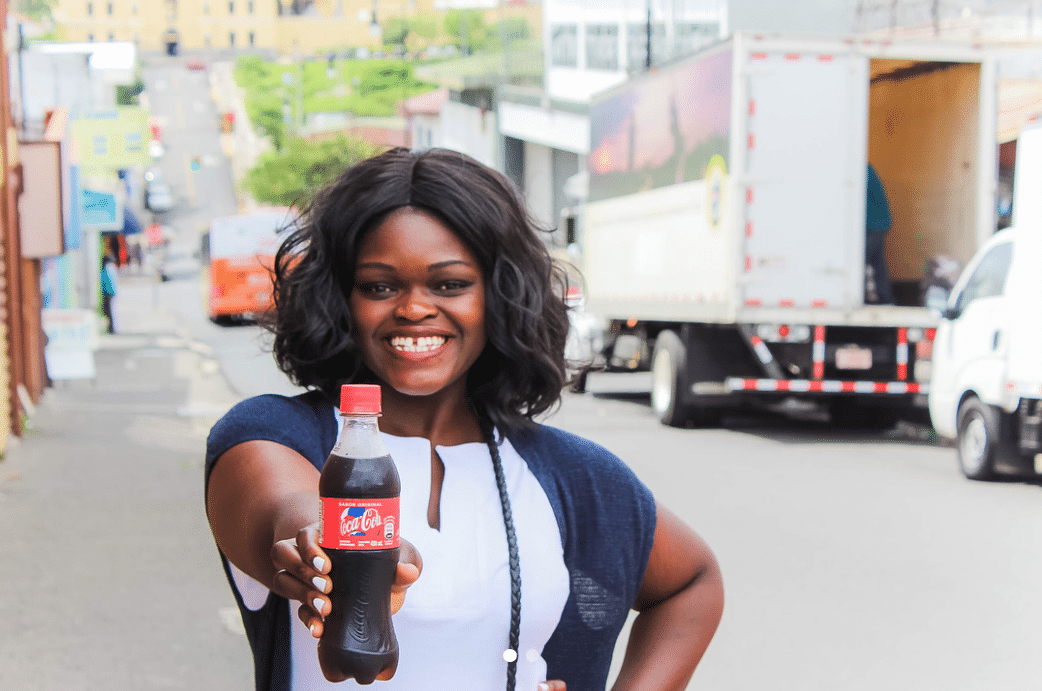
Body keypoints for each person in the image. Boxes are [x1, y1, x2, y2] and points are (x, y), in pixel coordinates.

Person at [204, 147, 724, 691]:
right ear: (339, 298)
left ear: (499, 295)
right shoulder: (273, 437)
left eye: (449, 284)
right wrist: (325, 549)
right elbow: (292, 508)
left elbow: (692, 583)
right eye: (379, 286)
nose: (413, 308)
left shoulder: (568, 475)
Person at [865, 163, 894, 304]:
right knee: (878, 264)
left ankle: (863, 298)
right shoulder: (866, 169)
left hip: (874, 224)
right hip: (880, 223)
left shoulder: (860, 171)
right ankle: (886, 299)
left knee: (860, 261)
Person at [100, 250, 118, 334]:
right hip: (111, 292)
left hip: (108, 293)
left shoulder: (106, 270)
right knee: (110, 311)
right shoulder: (111, 268)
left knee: (109, 311)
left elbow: (106, 282)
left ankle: (111, 328)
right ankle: (111, 328)